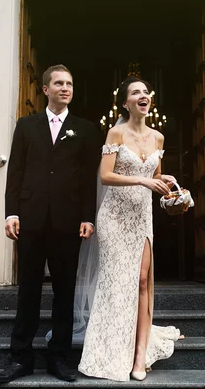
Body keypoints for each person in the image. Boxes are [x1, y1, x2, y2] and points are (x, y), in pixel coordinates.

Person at [0, 64, 101, 384]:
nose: (65, 88)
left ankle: (59, 358)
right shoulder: (26, 126)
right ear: (45, 89)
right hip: (31, 219)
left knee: (65, 292)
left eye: (69, 83)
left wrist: (87, 216)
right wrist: (11, 213)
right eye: (59, 83)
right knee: (28, 290)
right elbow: (16, 172)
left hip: (68, 221)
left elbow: (87, 178)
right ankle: (20, 358)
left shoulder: (85, 128)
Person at [77, 76, 182, 382]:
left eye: (145, 91)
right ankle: (110, 351)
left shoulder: (158, 138)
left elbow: (157, 176)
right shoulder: (116, 132)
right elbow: (105, 175)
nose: (142, 95)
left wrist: (171, 187)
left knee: (143, 281)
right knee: (116, 283)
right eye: (135, 92)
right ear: (125, 103)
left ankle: (139, 356)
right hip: (114, 216)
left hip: (142, 217)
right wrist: (142, 180)